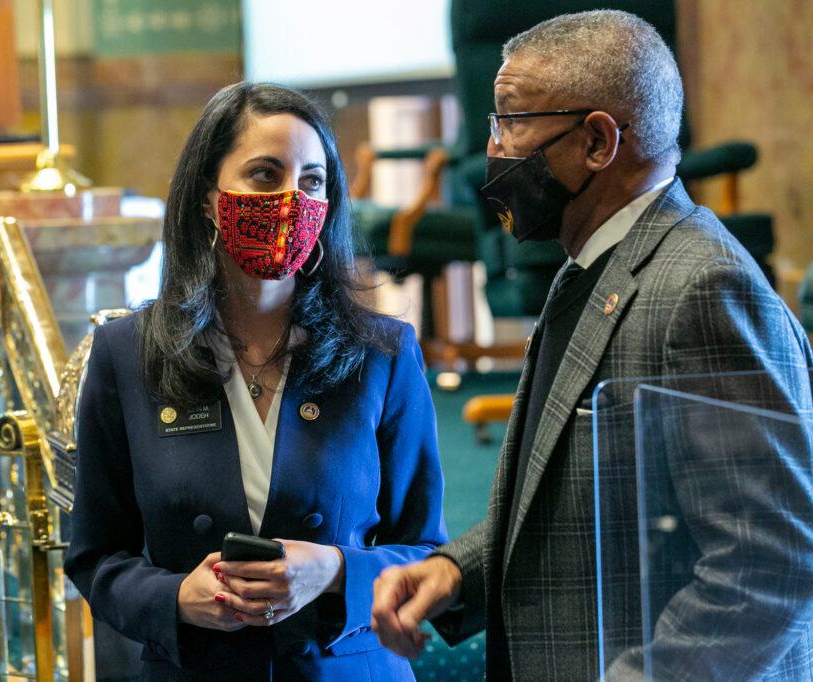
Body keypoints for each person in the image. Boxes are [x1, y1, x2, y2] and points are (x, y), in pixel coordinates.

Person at [371, 10, 813, 680]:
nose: (493, 149)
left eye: (511, 122)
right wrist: (454, 570)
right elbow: (578, 501)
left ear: (599, 141)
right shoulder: (594, 267)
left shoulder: (703, 289)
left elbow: (771, 566)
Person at [64, 81, 447, 680]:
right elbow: (95, 556)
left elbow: (428, 551)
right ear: (209, 198)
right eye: (266, 175)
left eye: (312, 181)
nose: (293, 200)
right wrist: (172, 599)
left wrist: (334, 569)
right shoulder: (126, 354)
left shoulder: (383, 352)